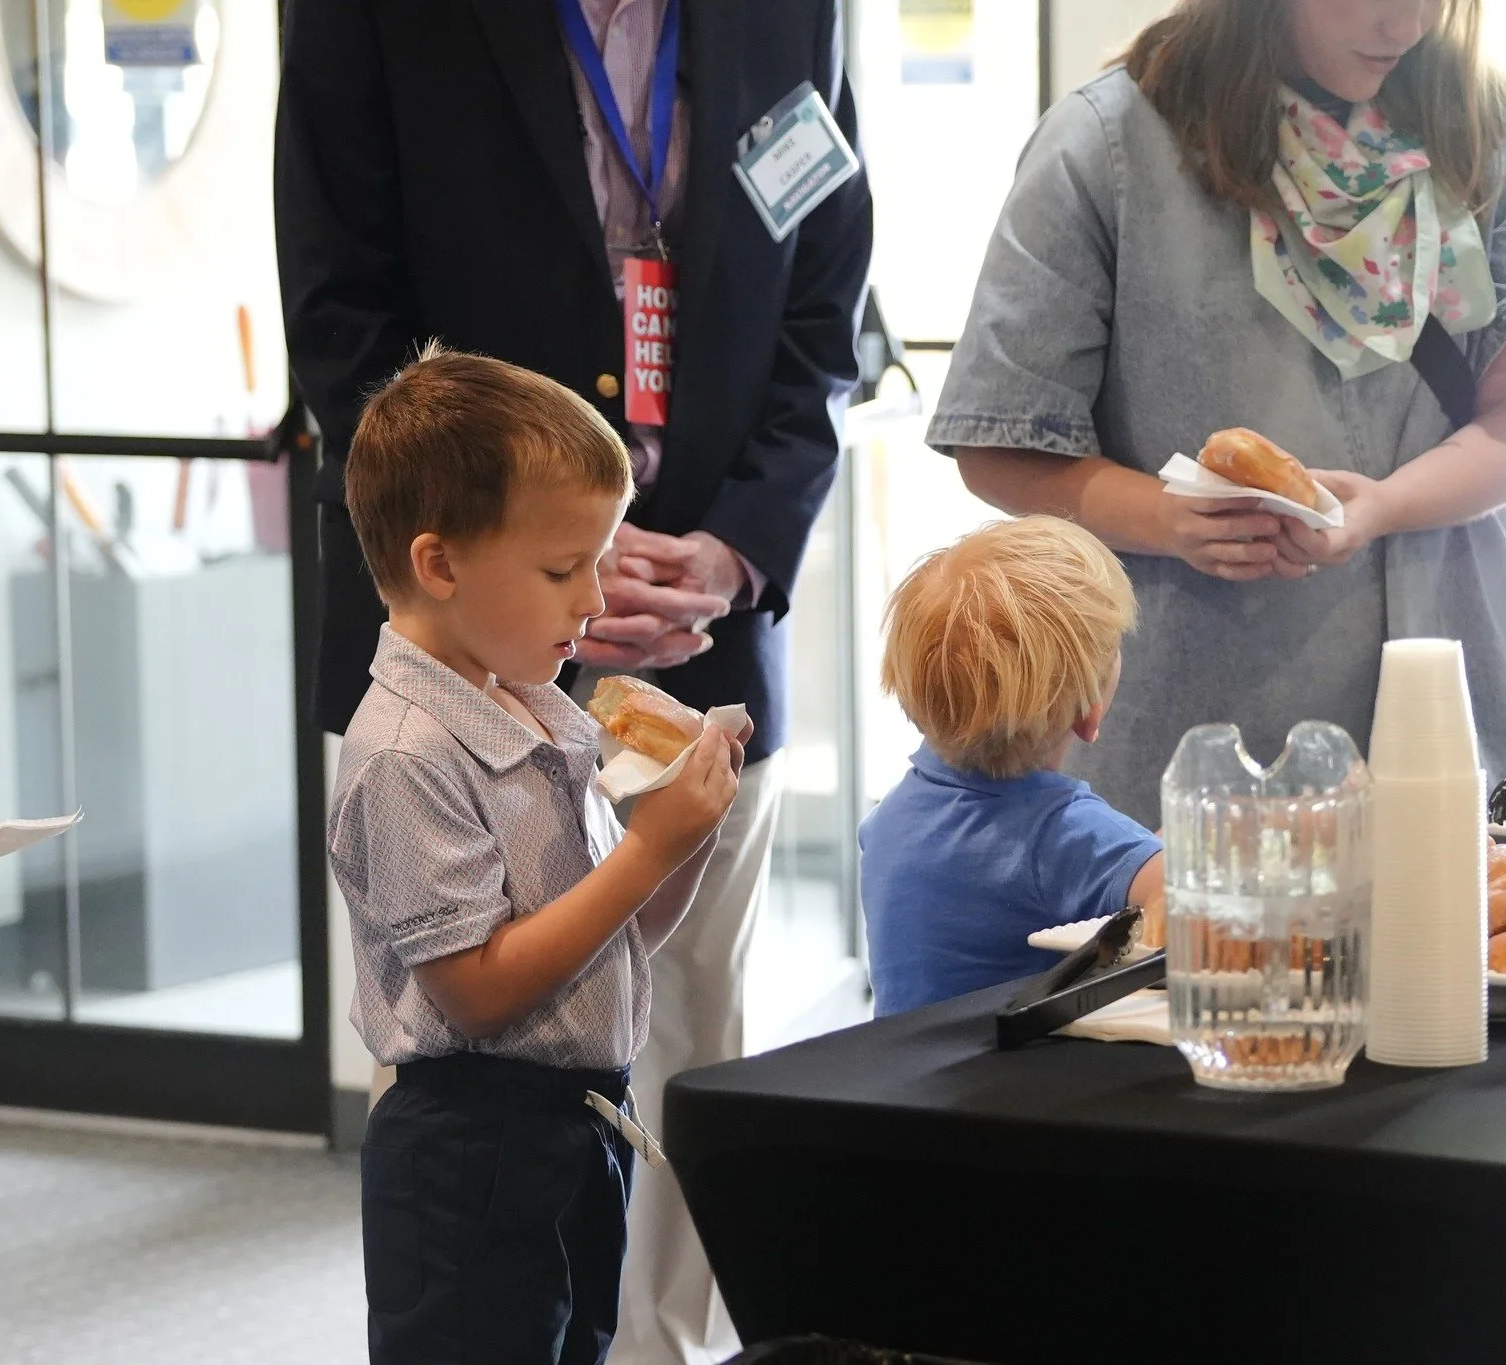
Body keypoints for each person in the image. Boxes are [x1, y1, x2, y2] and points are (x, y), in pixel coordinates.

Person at [277, 4, 871, 1357]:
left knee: (680, 1047)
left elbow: (829, 311)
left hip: (709, 624)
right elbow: (341, 311)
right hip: (461, 631)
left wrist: (734, 551)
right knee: (482, 1136)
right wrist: (514, 575)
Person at [927, 0, 1506, 826]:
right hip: (1196, 748)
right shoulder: (1108, 144)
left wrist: (1384, 506)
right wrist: (1171, 518)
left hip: (1474, 708)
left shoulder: (1492, 128)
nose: (1404, 28)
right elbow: (1001, 440)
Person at [325, 348, 750, 1364]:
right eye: (563, 570)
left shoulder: (542, 710)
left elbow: (615, 939)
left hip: (574, 1124)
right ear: (440, 566)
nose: (593, 601)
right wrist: (644, 854)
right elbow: (475, 989)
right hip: (467, 1144)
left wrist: (680, 837)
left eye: (598, 563)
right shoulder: (405, 754)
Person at [860, 517, 1163, 1016]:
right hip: (1007, 1089)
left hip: (899, 1076)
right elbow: (1183, 896)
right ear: (1088, 714)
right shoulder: (1065, 833)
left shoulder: (893, 815)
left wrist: (1135, 853)